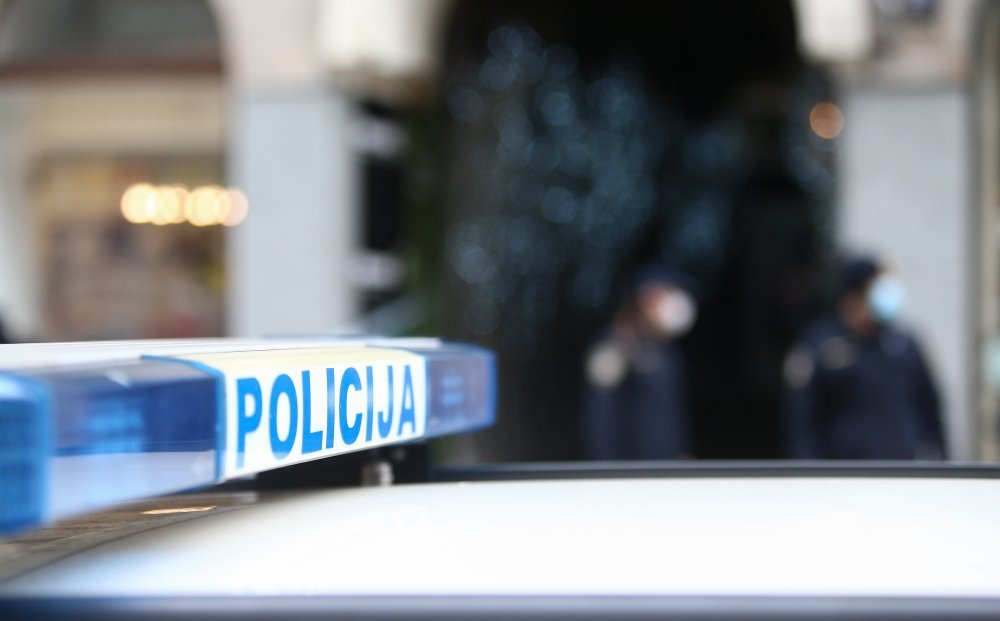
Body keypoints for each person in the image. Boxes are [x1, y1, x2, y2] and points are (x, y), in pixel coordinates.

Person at [783, 256, 945, 460]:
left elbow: (930, 407)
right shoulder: (821, 345)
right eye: (877, 289)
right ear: (854, 295)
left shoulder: (903, 343)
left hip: (902, 470)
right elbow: (802, 421)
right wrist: (810, 472)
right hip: (846, 473)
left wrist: (941, 458)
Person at [582, 267, 695, 460]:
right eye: (664, 294)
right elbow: (601, 417)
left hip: (669, 468)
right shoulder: (613, 346)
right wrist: (608, 468)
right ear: (645, 299)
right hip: (635, 470)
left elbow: (672, 415)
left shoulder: (668, 351)